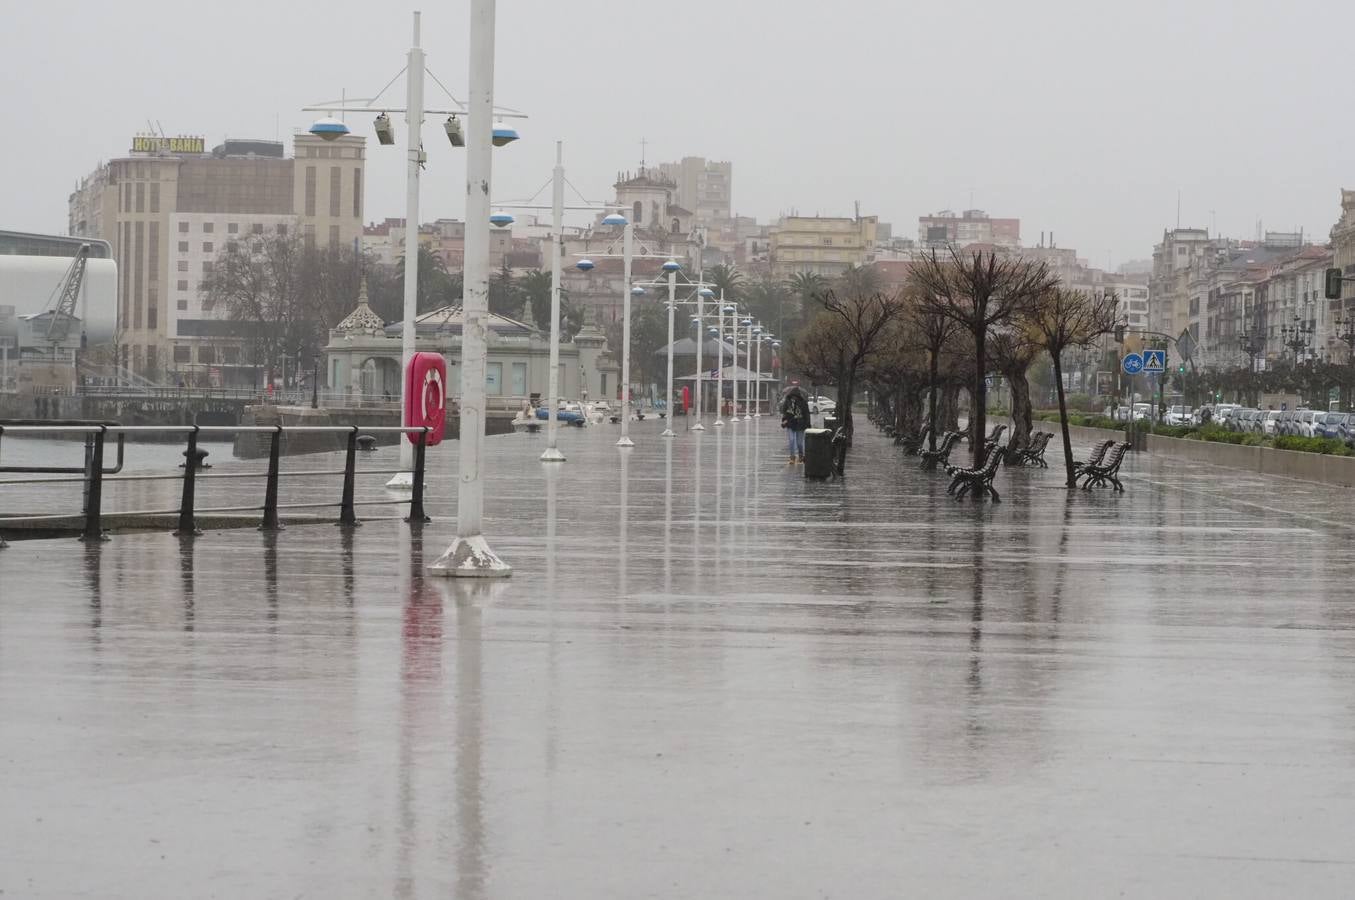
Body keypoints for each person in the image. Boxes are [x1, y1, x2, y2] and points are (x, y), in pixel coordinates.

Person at [779, 380, 811, 464]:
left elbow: (806, 413)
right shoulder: (788, 402)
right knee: (791, 440)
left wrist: (808, 424)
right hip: (790, 424)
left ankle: (801, 455)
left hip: (800, 424)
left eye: (795, 397)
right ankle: (792, 457)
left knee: (800, 443)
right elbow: (785, 412)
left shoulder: (803, 403)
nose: (794, 398)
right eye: (792, 397)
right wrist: (784, 420)